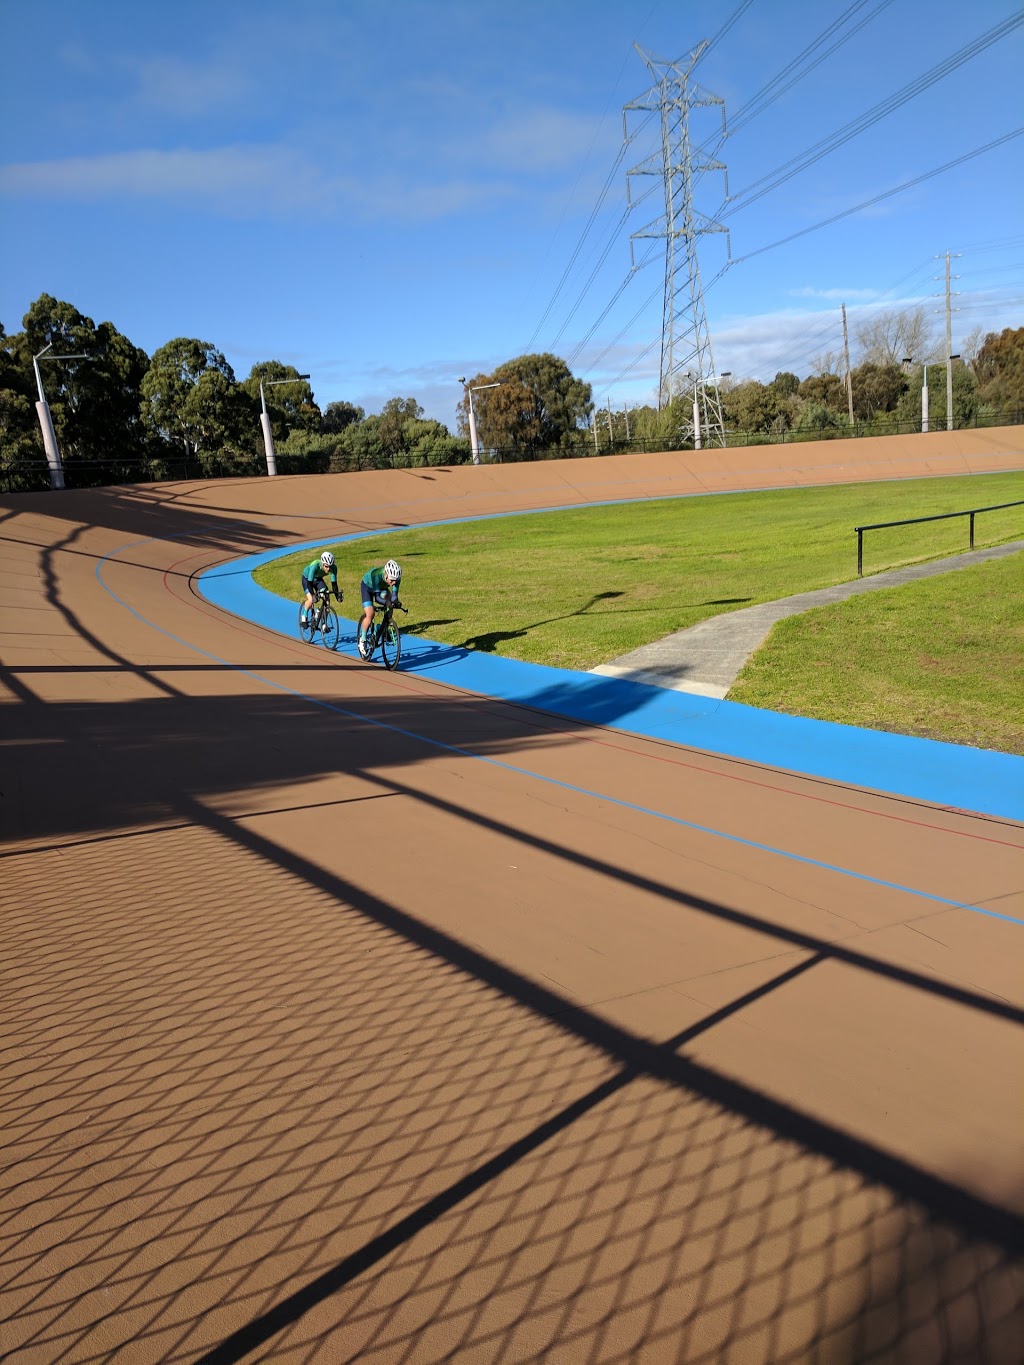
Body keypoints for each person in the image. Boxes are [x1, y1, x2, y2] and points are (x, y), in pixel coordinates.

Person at [358, 558, 402, 657]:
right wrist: (387, 603)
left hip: (381, 588)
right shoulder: (376, 575)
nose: (394, 583)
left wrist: (395, 602)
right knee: (370, 613)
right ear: (386, 575)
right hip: (367, 587)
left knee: (390, 602)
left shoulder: (396, 578)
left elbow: (394, 596)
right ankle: (363, 639)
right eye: (392, 580)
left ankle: (383, 628)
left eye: (396, 580)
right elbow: (377, 598)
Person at [301, 550, 342, 625]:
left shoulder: (334, 568)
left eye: (330, 566)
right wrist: (313, 595)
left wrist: (337, 596)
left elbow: (334, 584)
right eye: (326, 566)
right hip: (307, 579)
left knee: (327, 598)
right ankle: (304, 616)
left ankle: (324, 623)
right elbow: (309, 583)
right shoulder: (315, 566)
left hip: (318, 579)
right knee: (311, 600)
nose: (328, 569)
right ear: (322, 564)